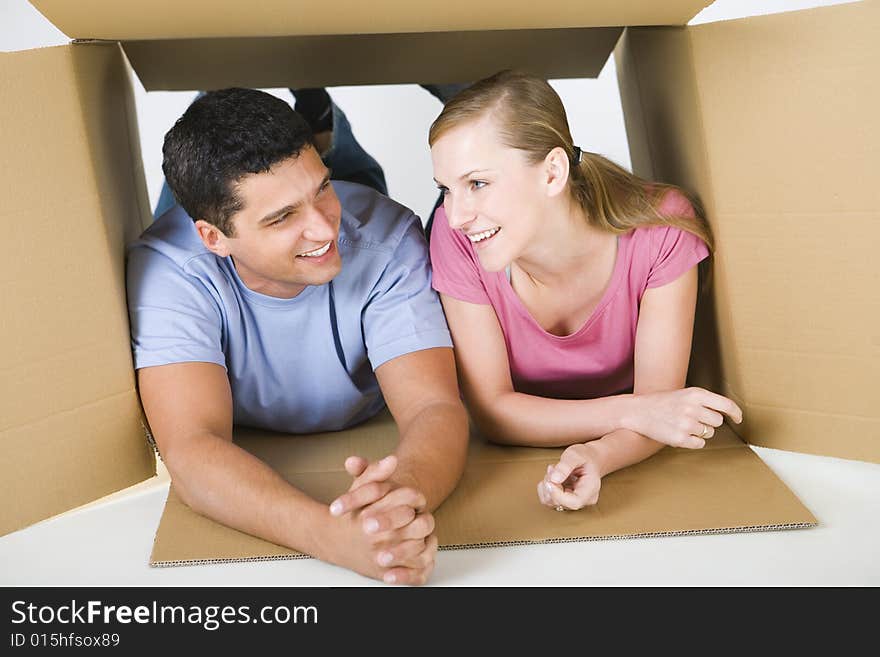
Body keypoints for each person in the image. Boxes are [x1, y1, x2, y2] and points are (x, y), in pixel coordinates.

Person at [127, 88, 469, 585]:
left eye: (320, 189)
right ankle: (242, 100)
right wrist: (331, 536)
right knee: (190, 192)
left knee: (359, 189)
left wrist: (395, 504)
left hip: (363, 228)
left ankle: (325, 134)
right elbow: (192, 451)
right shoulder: (171, 268)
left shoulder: (387, 239)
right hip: (206, 251)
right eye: (282, 216)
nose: (320, 228)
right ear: (212, 238)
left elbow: (434, 408)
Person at [427, 70, 743, 513]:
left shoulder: (661, 230)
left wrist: (597, 454)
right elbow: (493, 413)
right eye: (444, 190)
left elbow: (662, 403)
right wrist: (630, 412)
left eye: (477, 183)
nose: (456, 215)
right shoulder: (453, 235)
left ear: (553, 172)